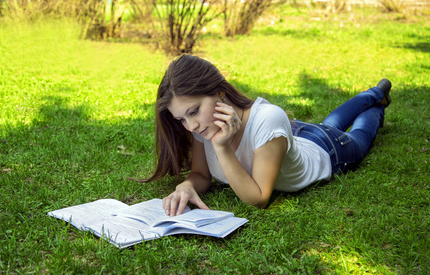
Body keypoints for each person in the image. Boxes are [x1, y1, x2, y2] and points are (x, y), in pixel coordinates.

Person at [142, 54, 392, 216]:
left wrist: (222, 148)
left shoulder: (268, 118)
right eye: (181, 119)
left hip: (327, 150)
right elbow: (201, 175)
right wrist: (186, 185)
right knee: (331, 122)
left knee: (357, 135)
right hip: (287, 138)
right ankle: (373, 95)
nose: (191, 126)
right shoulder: (202, 127)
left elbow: (259, 198)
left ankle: (376, 99)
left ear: (219, 92)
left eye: (194, 111)